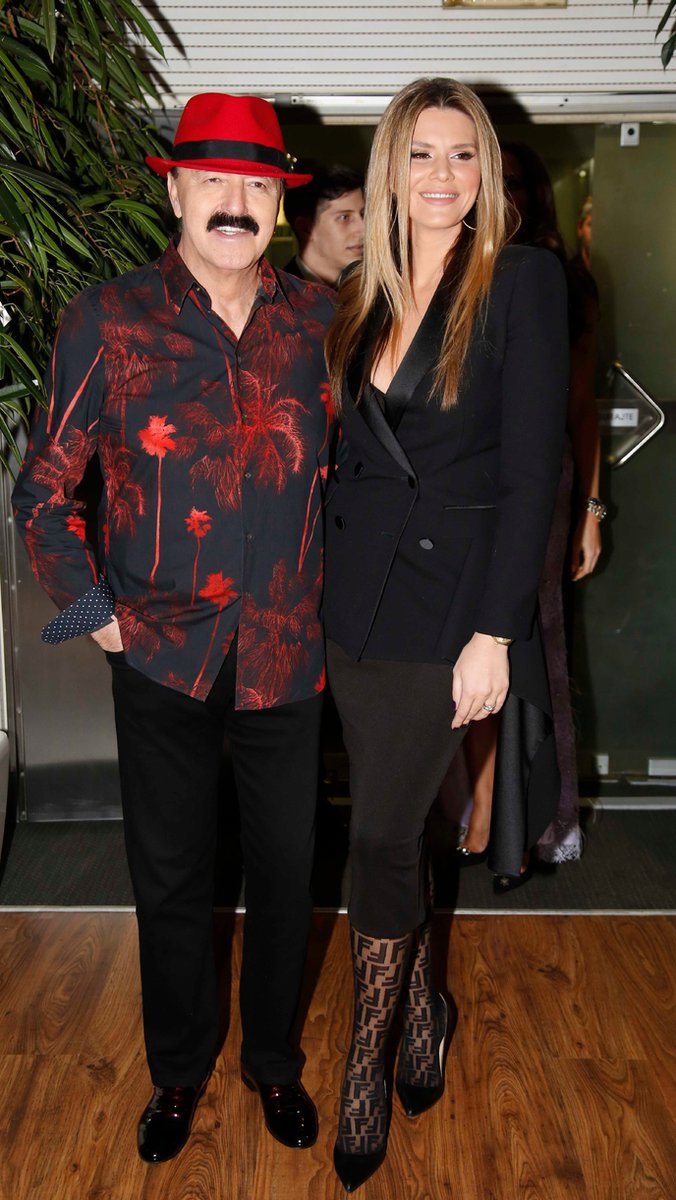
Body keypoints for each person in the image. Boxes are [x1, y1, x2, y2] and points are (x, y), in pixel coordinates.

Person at [12, 93, 335, 1164]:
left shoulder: (322, 323)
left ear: (279, 203)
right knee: (171, 877)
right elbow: (42, 492)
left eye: (255, 184)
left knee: (287, 872)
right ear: (176, 192)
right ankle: (179, 1071)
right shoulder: (106, 319)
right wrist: (99, 621)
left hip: (288, 651)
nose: (233, 201)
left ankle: (274, 1063)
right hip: (157, 652)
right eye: (212, 181)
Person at [322, 78, 568, 1191]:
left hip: (447, 610)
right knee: (403, 823)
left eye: (462, 155)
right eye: (420, 153)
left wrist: (494, 633)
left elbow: (531, 476)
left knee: (378, 839)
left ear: (487, 174)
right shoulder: (362, 289)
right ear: (391, 168)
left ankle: (364, 1067)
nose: (441, 175)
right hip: (352, 608)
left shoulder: (519, 280)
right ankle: (423, 1011)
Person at [459, 145, 604, 879]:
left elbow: (582, 408)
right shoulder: (458, 267)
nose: (501, 195)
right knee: (469, 639)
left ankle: (529, 816)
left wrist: (591, 511)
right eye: (494, 182)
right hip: (470, 483)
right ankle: (480, 803)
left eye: (512, 183)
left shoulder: (560, 278)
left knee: (534, 645)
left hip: (544, 487)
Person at [283, 163, 364, 286]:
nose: (363, 229)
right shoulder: (278, 294)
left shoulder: (368, 288)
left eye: (363, 214)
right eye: (344, 217)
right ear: (306, 228)